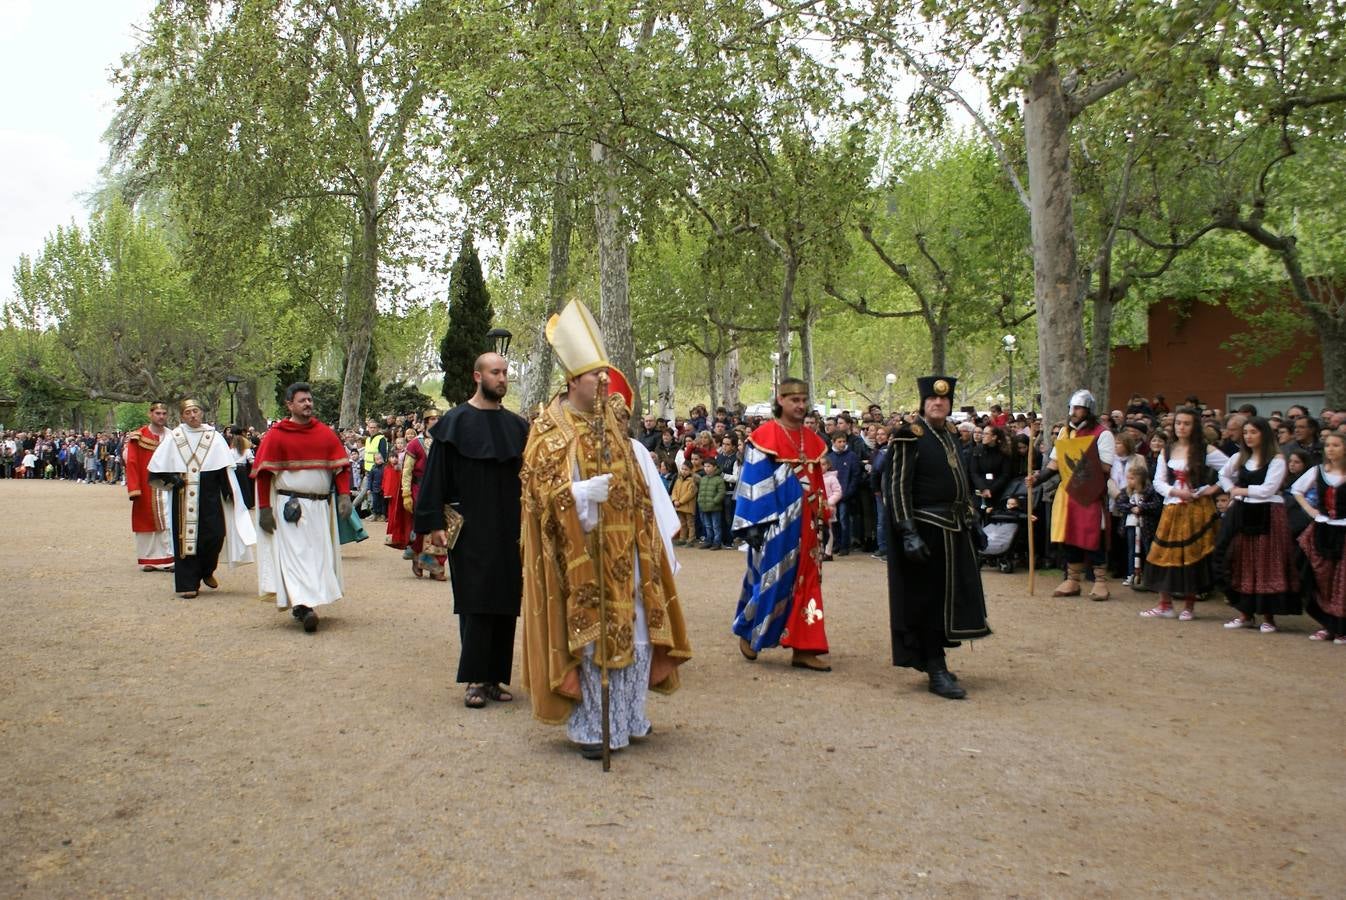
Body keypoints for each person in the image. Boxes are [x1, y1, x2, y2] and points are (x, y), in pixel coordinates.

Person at [519, 300, 691, 760]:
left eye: (604, 374)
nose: (602, 381)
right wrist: (576, 496)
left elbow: (637, 485)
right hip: (582, 555)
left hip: (628, 549)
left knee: (634, 624)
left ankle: (630, 714)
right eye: (594, 374)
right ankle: (594, 726)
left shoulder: (613, 426)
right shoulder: (550, 431)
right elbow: (537, 496)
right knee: (595, 633)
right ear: (573, 380)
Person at [412, 352, 530, 709]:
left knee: (506, 600)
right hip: (471, 526)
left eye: (506, 373)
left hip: (510, 526)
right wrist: (432, 524)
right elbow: (435, 478)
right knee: (476, 600)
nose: (503, 378)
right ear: (477, 376)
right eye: (496, 372)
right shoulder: (455, 422)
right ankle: (475, 679)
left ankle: (495, 678)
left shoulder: (518, 426)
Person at [884, 375, 991, 700]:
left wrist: (973, 520)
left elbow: (960, 480)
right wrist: (907, 531)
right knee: (928, 601)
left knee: (949, 601)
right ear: (923, 402)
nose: (938, 404)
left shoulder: (948, 434)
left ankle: (936, 660)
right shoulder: (909, 436)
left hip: (954, 529)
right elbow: (897, 486)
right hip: (926, 530)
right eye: (933, 400)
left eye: (943, 400)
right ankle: (936, 667)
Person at [731, 377, 833, 672]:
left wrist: (823, 517)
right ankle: (750, 630)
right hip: (775, 526)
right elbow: (752, 483)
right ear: (780, 400)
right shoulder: (764, 437)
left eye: (803, 401)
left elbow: (817, 484)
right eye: (794, 400)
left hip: (808, 527)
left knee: (808, 585)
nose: (800, 406)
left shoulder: (813, 441)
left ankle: (804, 647)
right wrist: (755, 525)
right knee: (771, 581)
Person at [251, 383, 351, 633]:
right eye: (302, 400)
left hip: (320, 508)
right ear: (289, 405)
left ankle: (305, 603)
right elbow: (263, 475)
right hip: (290, 508)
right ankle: (304, 607)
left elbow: (340, 467)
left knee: (317, 556)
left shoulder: (325, 433)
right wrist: (264, 508)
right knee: (296, 556)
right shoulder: (277, 435)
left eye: (309, 400)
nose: (308, 404)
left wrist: (344, 496)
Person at [147, 399, 255, 599]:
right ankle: (188, 583)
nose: (192, 415)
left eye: (195, 411)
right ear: (182, 416)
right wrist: (172, 480)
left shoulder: (213, 437)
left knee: (215, 536)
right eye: (188, 413)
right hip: (182, 496)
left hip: (210, 494)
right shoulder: (174, 438)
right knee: (185, 540)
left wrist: (229, 490)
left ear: (201, 413)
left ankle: (207, 570)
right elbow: (156, 473)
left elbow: (225, 469)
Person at [1138, 407, 1230, 620]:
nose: (1181, 427)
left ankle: (1189, 606)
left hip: (1196, 510)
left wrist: (1211, 489)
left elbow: (1230, 469)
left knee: (1191, 557)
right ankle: (1165, 604)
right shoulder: (1167, 450)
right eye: (1179, 423)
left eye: (1187, 423)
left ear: (1194, 426)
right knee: (1162, 554)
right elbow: (1158, 481)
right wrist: (1175, 491)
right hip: (1172, 508)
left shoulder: (1205, 450)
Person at [1026, 389, 1116, 600]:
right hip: (1068, 494)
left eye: (1078, 408)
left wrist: (1081, 455)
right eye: (1072, 408)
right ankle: (1072, 580)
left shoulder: (1103, 434)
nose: (1074, 412)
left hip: (1091, 492)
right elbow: (1055, 464)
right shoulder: (1065, 433)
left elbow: (1105, 466)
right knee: (1069, 535)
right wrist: (1037, 479)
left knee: (1094, 534)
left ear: (1088, 410)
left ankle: (1101, 581)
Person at [1218, 417, 1300, 632]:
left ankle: (1268, 616)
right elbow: (1223, 474)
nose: (1248, 436)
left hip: (1268, 513)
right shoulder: (1240, 457)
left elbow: (1268, 489)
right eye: (1246, 433)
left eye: (1253, 432)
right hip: (1245, 512)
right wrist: (1231, 490)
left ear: (1264, 434)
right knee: (1244, 561)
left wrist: (1240, 490)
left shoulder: (1276, 459)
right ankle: (1245, 613)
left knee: (1266, 563)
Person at [1293, 433, 1346, 643]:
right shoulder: (1318, 471)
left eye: (1336, 445)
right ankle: (1327, 625)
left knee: (1342, 581)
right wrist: (1311, 510)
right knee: (1323, 578)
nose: (1330, 449)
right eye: (1328, 445)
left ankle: (1342, 627)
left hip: (1344, 529)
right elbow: (1296, 489)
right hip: (1323, 529)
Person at [124, 402, 175, 572]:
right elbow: (131, 463)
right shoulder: (138, 437)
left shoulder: (173, 436)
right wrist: (134, 488)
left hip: (167, 485)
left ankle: (169, 558)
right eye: (158, 413)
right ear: (150, 414)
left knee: (168, 520)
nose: (161, 416)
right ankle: (149, 559)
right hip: (146, 486)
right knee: (146, 521)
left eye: (164, 413)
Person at [403, 408, 445, 580]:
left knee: (442, 528)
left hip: (441, 490)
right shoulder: (415, 443)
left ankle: (437, 567)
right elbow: (407, 470)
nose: (435, 421)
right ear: (426, 422)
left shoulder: (445, 442)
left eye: (437, 418)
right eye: (431, 419)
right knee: (423, 528)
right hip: (420, 489)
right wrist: (406, 493)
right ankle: (418, 558)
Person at [696, 457, 726, 550]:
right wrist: (700, 501)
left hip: (715, 507)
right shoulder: (703, 479)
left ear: (714, 467)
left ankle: (717, 542)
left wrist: (714, 501)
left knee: (716, 526)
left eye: (709, 466)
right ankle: (709, 540)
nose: (706, 468)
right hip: (704, 506)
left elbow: (721, 492)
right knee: (707, 525)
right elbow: (700, 492)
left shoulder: (719, 479)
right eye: (705, 466)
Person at [670, 463, 698, 545]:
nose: (684, 471)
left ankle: (691, 538)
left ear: (691, 471)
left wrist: (680, 501)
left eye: (686, 469)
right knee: (682, 523)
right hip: (679, 506)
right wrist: (674, 499)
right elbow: (674, 490)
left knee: (690, 523)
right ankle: (682, 538)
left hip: (688, 506)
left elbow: (690, 493)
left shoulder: (692, 481)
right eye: (682, 469)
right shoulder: (678, 480)